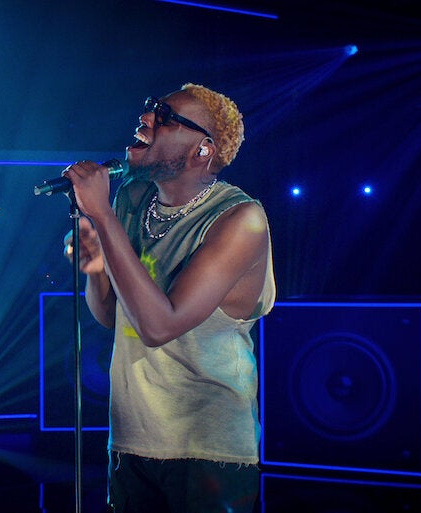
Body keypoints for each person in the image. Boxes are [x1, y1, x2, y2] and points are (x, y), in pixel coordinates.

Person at [61, 83, 275, 513]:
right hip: (131, 441)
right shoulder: (132, 198)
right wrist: (96, 267)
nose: (146, 119)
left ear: (203, 150)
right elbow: (114, 316)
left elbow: (159, 327)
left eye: (165, 116)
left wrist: (102, 216)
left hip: (208, 453)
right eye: (149, 109)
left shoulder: (240, 219)